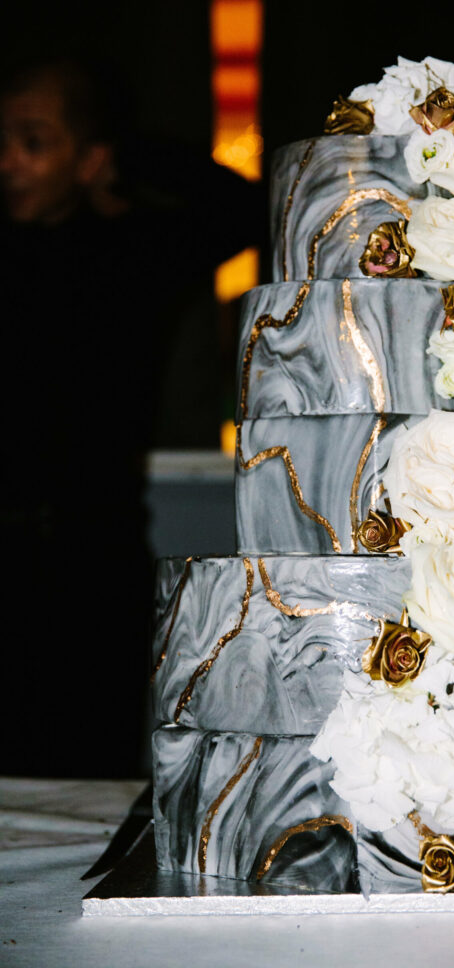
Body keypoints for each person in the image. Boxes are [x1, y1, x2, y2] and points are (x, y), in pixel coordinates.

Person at [0, 54, 264, 777]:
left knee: (84, 775)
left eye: (32, 140)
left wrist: (124, 149)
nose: (9, 162)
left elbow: (246, 207)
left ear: (88, 159)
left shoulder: (131, 253)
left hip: (90, 562)